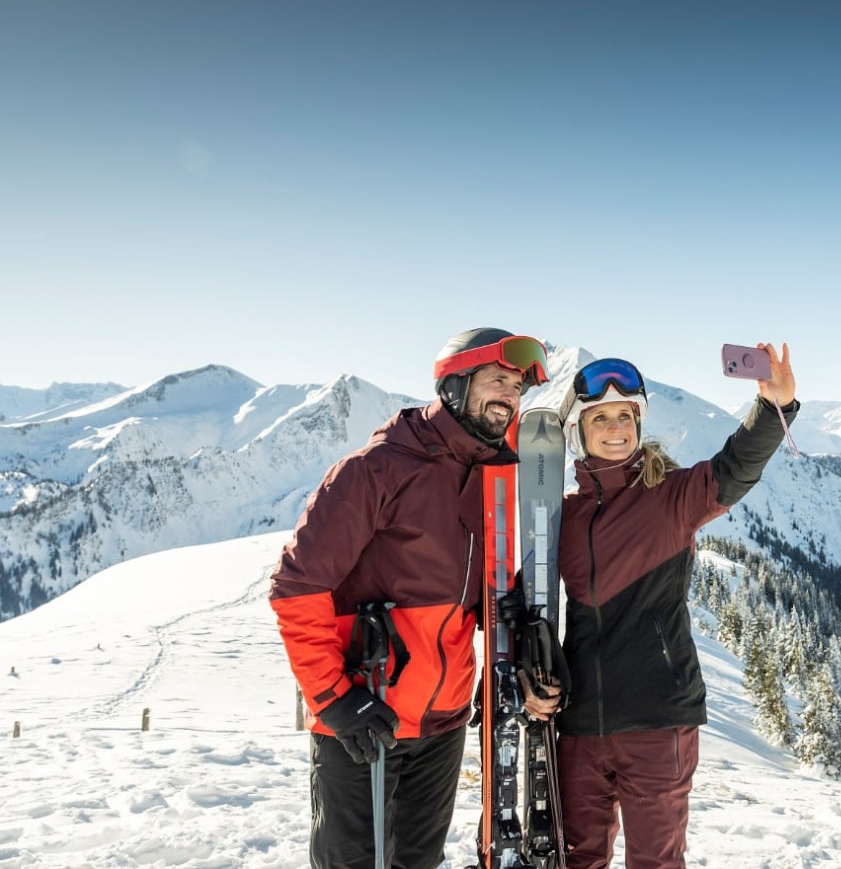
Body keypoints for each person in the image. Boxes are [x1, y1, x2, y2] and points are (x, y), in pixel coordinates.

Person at [269, 327, 550, 869]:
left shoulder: (492, 474)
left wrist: (508, 613)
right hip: (366, 720)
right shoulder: (376, 470)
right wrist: (333, 699)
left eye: (517, 388)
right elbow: (296, 587)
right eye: (497, 381)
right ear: (453, 387)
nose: (510, 397)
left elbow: (474, 584)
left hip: (442, 726)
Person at [539, 344, 798, 869]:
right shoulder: (558, 515)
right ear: (578, 434)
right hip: (581, 724)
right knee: (576, 858)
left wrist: (774, 409)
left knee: (655, 860)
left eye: (625, 416)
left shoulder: (670, 497)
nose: (615, 428)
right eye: (600, 418)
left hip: (658, 721)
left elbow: (735, 466)